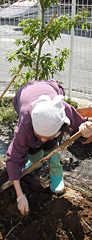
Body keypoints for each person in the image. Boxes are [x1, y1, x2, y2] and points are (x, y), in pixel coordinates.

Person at [6, 80, 92, 215]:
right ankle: (35, 159)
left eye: (47, 135)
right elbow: (14, 158)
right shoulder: (25, 121)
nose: (42, 140)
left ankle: (56, 175)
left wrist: (85, 130)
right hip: (25, 94)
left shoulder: (62, 110)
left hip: (48, 89)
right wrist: (20, 195)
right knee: (30, 143)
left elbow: (82, 126)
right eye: (39, 134)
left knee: (50, 144)